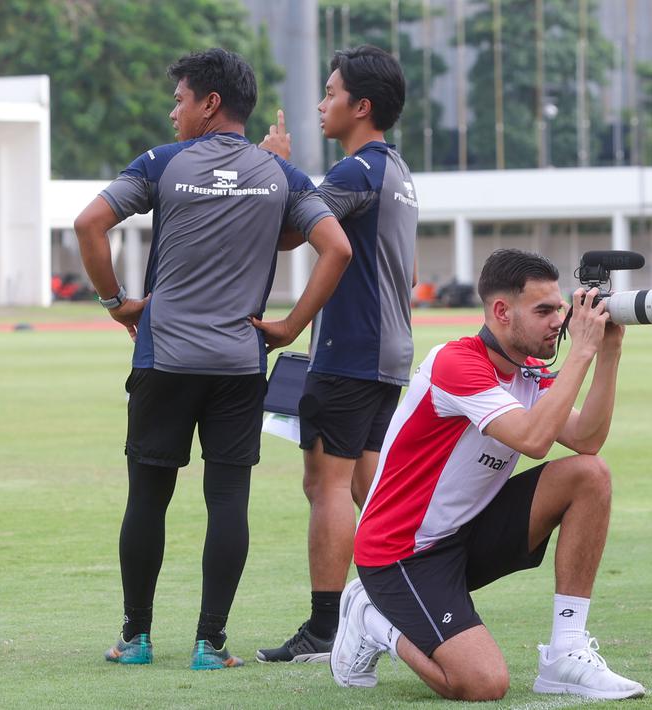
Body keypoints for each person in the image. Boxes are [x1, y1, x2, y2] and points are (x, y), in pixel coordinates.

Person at [74, 47, 352, 671]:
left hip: (163, 357)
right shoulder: (280, 174)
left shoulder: (162, 163)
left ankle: (137, 638)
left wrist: (116, 302)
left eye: (179, 100)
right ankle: (210, 644)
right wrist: (289, 325)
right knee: (229, 500)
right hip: (237, 363)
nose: (173, 112)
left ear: (210, 104)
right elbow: (336, 248)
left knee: (148, 496)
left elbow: (89, 223)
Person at [327, 249, 645, 701]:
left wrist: (608, 354)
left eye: (559, 308)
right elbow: (534, 440)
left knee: (590, 474)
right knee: (482, 683)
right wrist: (583, 352)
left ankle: (566, 653)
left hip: (464, 533)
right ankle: (372, 618)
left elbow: (587, 440)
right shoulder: (457, 364)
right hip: (401, 553)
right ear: (501, 312)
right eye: (544, 311)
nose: (558, 320)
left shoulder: (528, 371)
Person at [253, 45, 419, 664]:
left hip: (349, 352)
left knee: (325, 483)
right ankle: (408, 597)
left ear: (361, 105)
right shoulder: (396, 171)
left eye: (330, 93)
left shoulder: (356, 172)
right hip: (387, 353)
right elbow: (302, 234)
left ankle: (325, 629)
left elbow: (295, 233)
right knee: (368, 486)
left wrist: (272, 172)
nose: (321, 104)